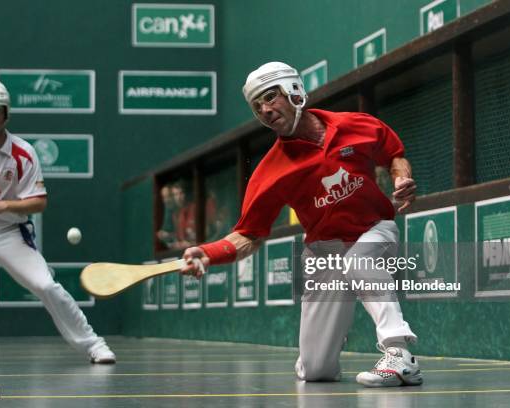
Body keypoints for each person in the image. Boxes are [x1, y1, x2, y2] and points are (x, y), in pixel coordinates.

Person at [181, 62, 422, 387]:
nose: (265, 110)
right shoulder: (270, 172)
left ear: (295, 92)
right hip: (324, 253)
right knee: (315, 370)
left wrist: (402, 177)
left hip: (375, 229)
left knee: (360, 260)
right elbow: (249, 234)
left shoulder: (355, 125)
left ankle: (399, 353)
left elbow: (394, 153)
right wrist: (208, 253)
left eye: (270, 97)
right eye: (257, 107)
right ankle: (329, 340)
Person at [0, 82, 116, 364]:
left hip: (10, 235)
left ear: (6, 114)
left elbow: (39, 202)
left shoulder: (24, 153)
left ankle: (94, 345)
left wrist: (3, 205)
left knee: (46, 286)